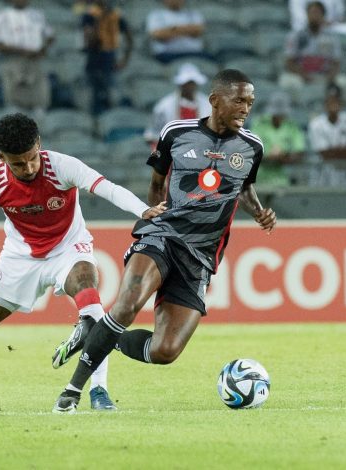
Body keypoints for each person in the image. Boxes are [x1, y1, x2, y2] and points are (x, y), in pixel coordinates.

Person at [0, 113, 166, 413]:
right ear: (1, 157)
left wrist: (143, 210)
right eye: (18, 163)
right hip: (18, 259)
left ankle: (99, 391)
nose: (28, 167)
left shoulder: (62, 166)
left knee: (91, 299)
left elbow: (107, 188)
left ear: (39, 144)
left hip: (68, 250)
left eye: (32, 158)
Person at [51, 69, 277, 413]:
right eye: (239, 100)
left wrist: (259, 211)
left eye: (250, 102)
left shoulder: (252, 146)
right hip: (163, 235)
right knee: (126, 306)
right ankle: (72, 392)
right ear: (215, 100)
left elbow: (243, 186)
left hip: (201, 255)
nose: (246, 108)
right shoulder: (176, 133)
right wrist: (153, 213)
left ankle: (97, 333)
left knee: (165, 351)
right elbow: (157, 180)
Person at [0, 0, 54, 116]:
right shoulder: (2, 16)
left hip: (35, 60)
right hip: (14, 60)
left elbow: (50, 36)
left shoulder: (37, 15)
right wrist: (22, 51)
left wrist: (42, 50)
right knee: (15, 104)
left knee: (39, 104)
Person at [280, 1, 346, 98]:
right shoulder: (296, 35)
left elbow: (336, 62)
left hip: (324, 75)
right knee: (287, 82)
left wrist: (330, 77)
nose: (314, 16)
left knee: (345, 83)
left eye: (317, 13)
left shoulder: (332, 37)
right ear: (307, 14)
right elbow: (289, 62)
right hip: (302, 75)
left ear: (323, 16)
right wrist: (303, 75)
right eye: (312, 13)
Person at [81, 0, 133, 116]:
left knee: (113, 101)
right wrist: (101, 19)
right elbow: (90, 41)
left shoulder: (115, 15)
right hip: (93, 64)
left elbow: (129, 38)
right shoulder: (89, 15)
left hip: (111, 63)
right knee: (93, 102)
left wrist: (125, 59)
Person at [306, 84, 346, 186]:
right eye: (330, 100)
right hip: (321, 175)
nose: (333, 104)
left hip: (345, 175)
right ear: (325, 102)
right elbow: (324, 154)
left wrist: (335, 151)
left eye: (336, 100)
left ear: (341, 102)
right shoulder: (316, 123)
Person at [144, 62, 211, 146]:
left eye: (192, 83)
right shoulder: (164, 106)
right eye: (187, 83)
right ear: (181, 84)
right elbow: (153, 134)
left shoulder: (208, 105)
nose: (190, 86)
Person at [250, 91, 306, 186]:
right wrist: (268, 157)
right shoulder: (259, 124)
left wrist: (284, 157)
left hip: (284, 179)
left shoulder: (292, 126)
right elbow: (252, 151)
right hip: (260, 178)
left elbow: (299, 151)